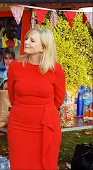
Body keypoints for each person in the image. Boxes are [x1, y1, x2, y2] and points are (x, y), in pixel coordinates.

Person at [7, 27, 65, 169]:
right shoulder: (15, 66)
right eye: (26, 38)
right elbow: (11, 95)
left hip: (46, 125)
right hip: (19, 125)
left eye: (32, 40)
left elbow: (58, 99)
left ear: (43, 47)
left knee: (46, 164)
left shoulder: (55, 69)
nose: (26, 42)